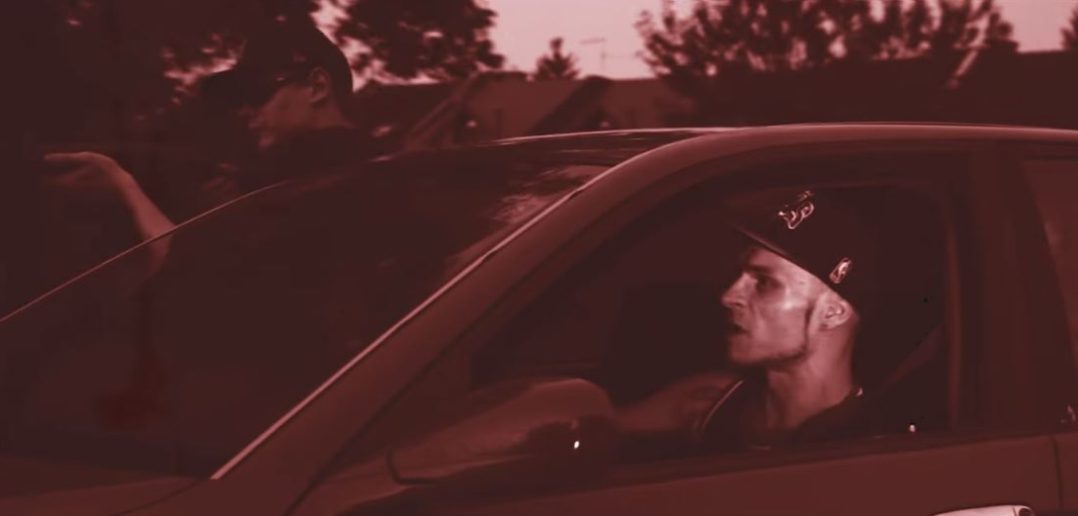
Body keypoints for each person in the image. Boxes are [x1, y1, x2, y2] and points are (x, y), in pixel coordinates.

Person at [42, 18, 384, 243]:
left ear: (317, 87)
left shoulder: (330, 185)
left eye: (256, 93)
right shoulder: (356, 168)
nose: (246, 111)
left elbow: (194, 276)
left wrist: (122, 184)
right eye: (241, 99)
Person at [615, 188, 881, 455]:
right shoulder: (711, 401)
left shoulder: (870, 449)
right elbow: (599, 424)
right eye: (740, 275)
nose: (729, 296)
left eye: (764, 282)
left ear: (832, 312)